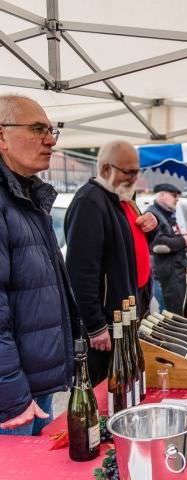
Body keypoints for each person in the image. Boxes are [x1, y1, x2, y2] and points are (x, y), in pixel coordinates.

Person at [0, 95, 76, 435]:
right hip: (12, 398)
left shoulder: (28, 197)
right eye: (36, 129)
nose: (49, 140)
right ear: (1, 137)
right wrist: (11, 396)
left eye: (51, 130)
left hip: (33, 384)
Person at [65, 140, 158, 386]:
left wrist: (150, 226)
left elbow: (129, 247)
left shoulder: (122, 197)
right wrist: (96, 326)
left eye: (137, 172)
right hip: (108, 323)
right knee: (108, 391)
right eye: (129, 172)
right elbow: (81, 271)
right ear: (106, 168)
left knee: (128, 385)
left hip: (128, 316)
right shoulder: (89, 201)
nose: (135, 178)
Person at [147, 183, 187, 314]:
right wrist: (183, 240)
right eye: (174, 195)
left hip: (175, 274)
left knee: (180, 313)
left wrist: (186, 236)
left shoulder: (166, 213)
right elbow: (156, 244)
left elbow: (169, 236)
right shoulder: (153, 214)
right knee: (171, 317)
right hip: (167, 277)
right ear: (162, 195)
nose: (177, 199)